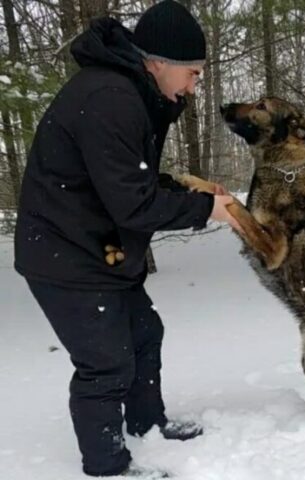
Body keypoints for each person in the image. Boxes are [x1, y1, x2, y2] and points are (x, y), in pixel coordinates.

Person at [14, 1, 238, 477]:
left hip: (97, 247)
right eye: (192, 74)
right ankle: (107, 465)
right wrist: (207, 210)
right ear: (157, 62)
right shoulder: (109, 99)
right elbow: (132, 204)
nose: (194, 87)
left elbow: (128, 182)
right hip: (64, 255)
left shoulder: (131, 92)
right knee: (105, 365)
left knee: (143, 335)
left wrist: (184, 189)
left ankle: (146, 424)